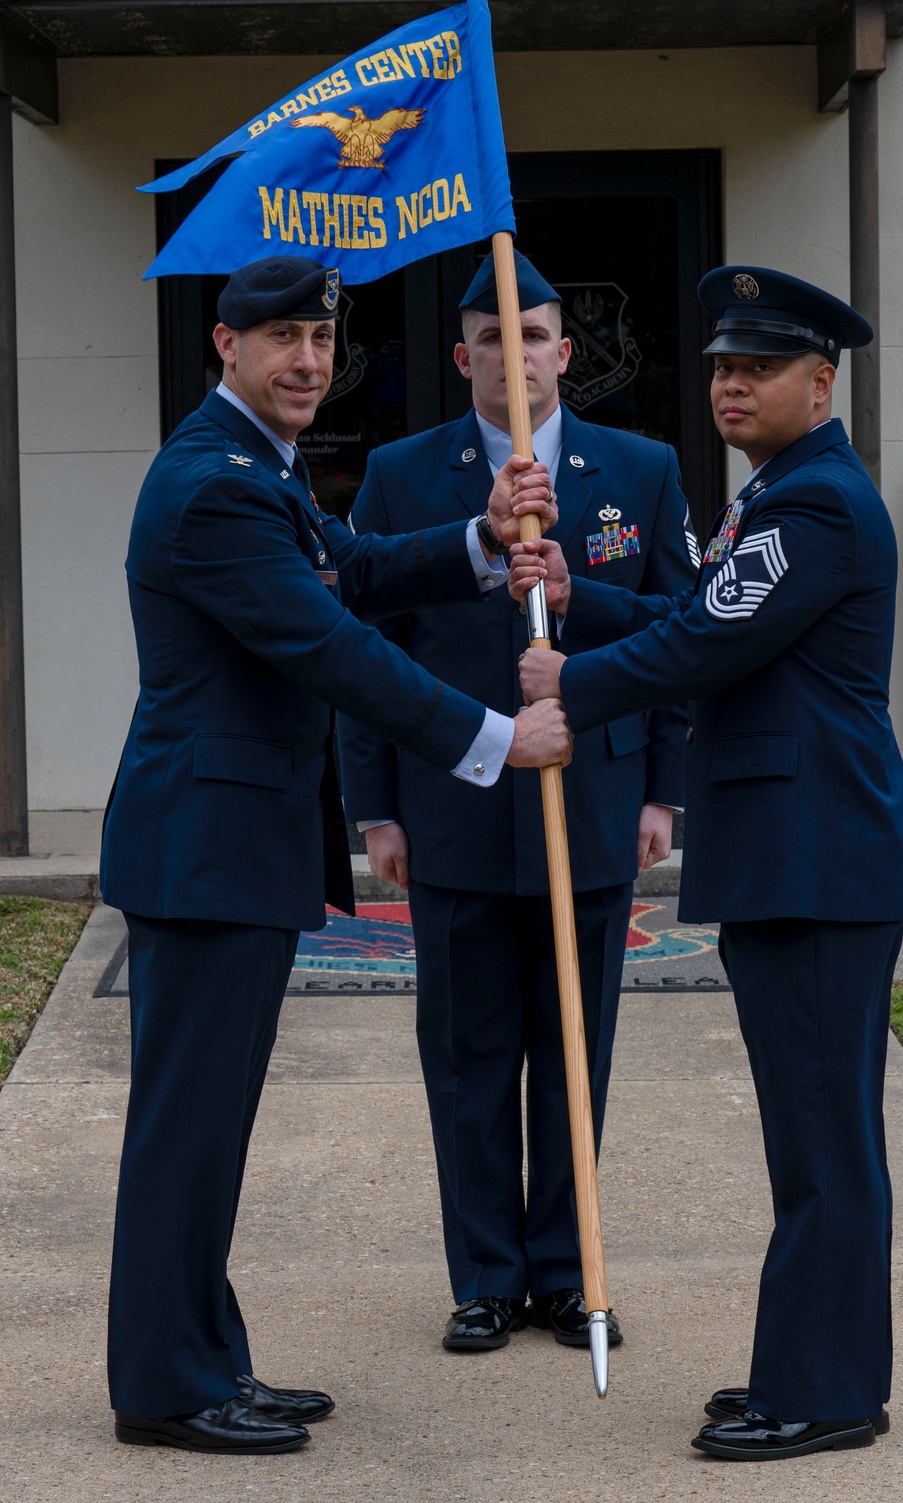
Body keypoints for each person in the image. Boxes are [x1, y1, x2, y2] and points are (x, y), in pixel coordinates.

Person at [100, 255, 571, 1455]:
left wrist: (474, 534)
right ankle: (164, 1386)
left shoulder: (259, 467)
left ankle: (205, 1359)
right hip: (205, 848)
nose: (308, 362)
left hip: (229, 847)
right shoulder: (213, 486)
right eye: (282, 342)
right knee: (186, 1129)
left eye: (320, 339)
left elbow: (353, 571)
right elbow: (331, 645)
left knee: (208, 1126)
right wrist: (489, 738)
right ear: (226, 346)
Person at [514, 265, 903, 1460]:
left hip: (818, 860)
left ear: (822, 379)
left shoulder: (813, 506)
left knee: (821, 1142)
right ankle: (807, 1368)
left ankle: (824, 1394)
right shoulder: (783, 496)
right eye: (718, 366)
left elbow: (703, 642)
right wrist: (577, 596)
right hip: (797, 857)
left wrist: (571, 683)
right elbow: (702, 608)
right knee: (812, 1136)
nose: (730, 384)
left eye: (757, 367)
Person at [337, 249, 695, 1353]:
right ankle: (486, 1277)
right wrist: (376, 809)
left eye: (531, 334)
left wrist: (664, 793)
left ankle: (566, 1272)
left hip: (592, 799)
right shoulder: (402, 476)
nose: (513, 354)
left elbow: (684, 636)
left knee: (573, 1055)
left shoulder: (637, 468)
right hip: (448, 811)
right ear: (462, 358)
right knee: (470, 1054)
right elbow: (361, 645)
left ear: (564, 352)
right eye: (491, 337)